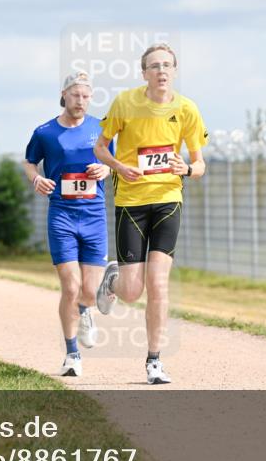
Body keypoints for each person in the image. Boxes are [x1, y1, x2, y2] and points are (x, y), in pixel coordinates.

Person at [93, 43, 208, 385]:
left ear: (174, 71)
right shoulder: (125, 103)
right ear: (144, 73)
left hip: (168, 200)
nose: (161, 71)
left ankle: (154, 361)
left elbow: (200, 164)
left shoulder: (187, 109)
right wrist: (118, 166)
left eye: (167, 65)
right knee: (132, 292)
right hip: (131, 202)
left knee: (158, 284)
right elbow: (99, 147)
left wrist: (185, 168)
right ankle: (113, 280)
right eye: (154, 66)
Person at [24, 71, 112, 377]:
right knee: (70, 286)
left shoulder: (101, 128)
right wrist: (36, 178)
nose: (82, 101)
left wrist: (105, 170)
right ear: (64, 96)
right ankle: (72, 354)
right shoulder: (45, 132)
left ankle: (87, 309)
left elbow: (113, 162)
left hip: (94, 216)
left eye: (87, 96)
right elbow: (29, 161)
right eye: (76, 95)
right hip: (61, 214)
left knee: (88, 291)